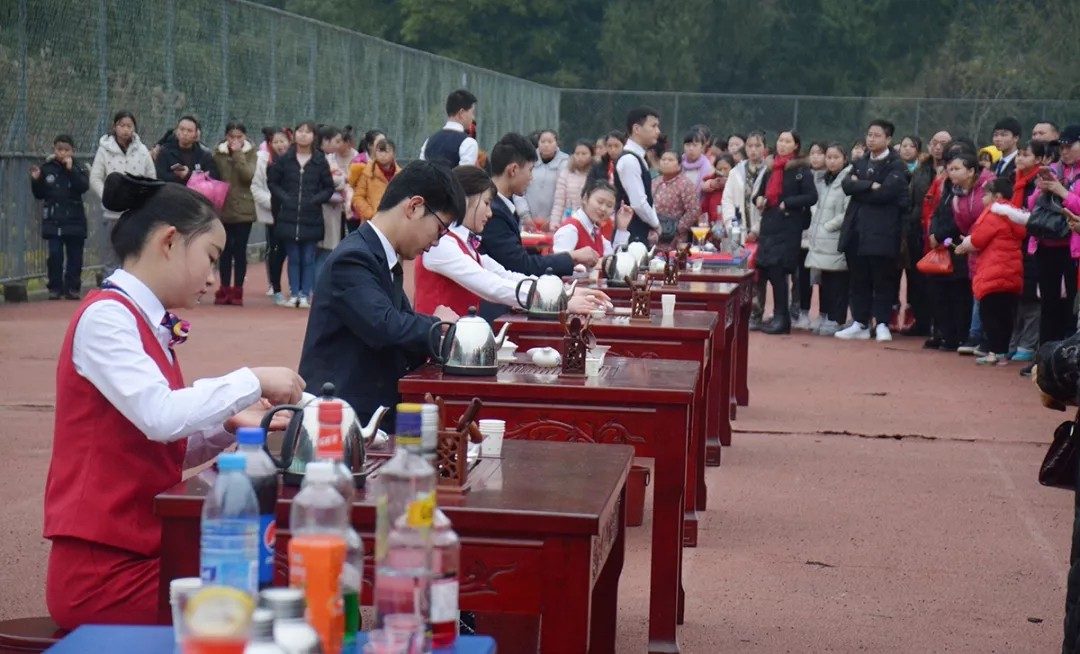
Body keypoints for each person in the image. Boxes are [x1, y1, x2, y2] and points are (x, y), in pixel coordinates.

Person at [43, 172, 304, 630]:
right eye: (211, 256)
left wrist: (225, 426)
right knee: (265, 604)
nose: (213, 274)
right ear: (169, 242)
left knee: (271, 581)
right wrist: (253, 379)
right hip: (105, 575)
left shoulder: (138, 320)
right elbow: (161, 417)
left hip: (140, 555)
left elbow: (163, 442)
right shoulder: (107, 317)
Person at [297, 161, 464, 427]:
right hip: (339, 422)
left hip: (368, 413)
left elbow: (401, 330)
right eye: (439, 230)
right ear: (414, 207)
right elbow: (385, 326)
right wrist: (438, 324)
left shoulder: (382, 257)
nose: (434, 243)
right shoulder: (353, 257)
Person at [416, 166, 614, 317]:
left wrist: (565, 293)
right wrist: (556, 301)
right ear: (466, 200)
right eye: (485, 203)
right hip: (435, 351)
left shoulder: (464, 243)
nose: (489, 213)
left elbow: (506, 276)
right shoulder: (442, 246)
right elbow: (491, 287)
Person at [477, 133, 598, 321]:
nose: (531, 178)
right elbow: (519, 265)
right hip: (493, 308)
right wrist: (571, 257)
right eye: (531, 170)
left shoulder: (502, 207)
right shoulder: (494, 211)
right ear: (514, 170)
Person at [836, 119, 910, 342]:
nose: (871, 139)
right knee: (859, 279)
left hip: (882, 233)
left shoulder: (896, 165)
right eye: (869, 134)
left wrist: (862, 187)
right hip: (857, 231)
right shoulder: (860, 161)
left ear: (888, 139)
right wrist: (869, 185)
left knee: (882, 280)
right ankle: (860, 322)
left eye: (877, 135)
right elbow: (847, 185)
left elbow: (887, 193)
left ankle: (883, 323)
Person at [752, 130, 817, 335]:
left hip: (789, 227)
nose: (782, 144)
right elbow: (759, 194)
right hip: (770, 225)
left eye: (788, 141)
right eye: (780, 140)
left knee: (780, 271)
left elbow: (811, 197)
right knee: (769, 271)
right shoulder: (771, 168)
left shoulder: (801, 170)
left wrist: (786, 203)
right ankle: (778, 314)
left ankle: (783, 317)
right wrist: (759, 200)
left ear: (796, 146)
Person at [956, 177, 1025, 365]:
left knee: (990, 314)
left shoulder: (993, 214)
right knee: (1005, 315)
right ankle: (1002, 352)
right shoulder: (1015, 216)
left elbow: (978, 240)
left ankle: (995, 351)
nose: (983, 198)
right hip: (1011, 273)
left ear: (997, 196)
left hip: (993, 271)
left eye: (986, 194)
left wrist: (965, 244)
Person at [267, 121, 336, 308]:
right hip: (288, 216)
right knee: (293, 257)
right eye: (300, 131)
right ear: (294, 134)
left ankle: (305, 294)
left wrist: (315, 199)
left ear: (314, 136)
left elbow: (329, 187)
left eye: (308, 132)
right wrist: (285, 198)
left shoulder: (319, 160)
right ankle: (294, 293)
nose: (303, 135)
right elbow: (273, 182)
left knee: (308, 257)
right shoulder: (285, 159)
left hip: (311, 217)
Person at [926, 148, 982, 351]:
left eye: (956, 168)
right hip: (943, 247)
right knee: (940, 294)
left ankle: (961, 335)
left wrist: (941, 236)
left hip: (959, 247)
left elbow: (959, 222)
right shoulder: (948, 188)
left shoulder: (976, 192)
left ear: (970, 171)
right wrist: (933, 234)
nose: (952, 172)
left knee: (960, 295)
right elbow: (938, 213)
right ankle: (946, 335)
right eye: (950, 168)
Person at [89, 111, 156, 278]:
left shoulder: (141, 150)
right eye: (122, 125)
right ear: (114, 127)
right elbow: (95, 177)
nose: (125, 130)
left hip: (135, 212)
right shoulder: (104, 150)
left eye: (129, 126)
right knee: (111, 254)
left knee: (134, 253)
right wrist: (107, 196)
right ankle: (109, 290)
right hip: (112, 213)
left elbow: (151, 176)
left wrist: (143, 197)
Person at [721, 130, 770, 329]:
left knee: (759, 275)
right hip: (738, 232)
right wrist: (732, 225)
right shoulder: (736, 172)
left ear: (764, 149)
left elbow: (769, 203)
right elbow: (728, 200)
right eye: (750, 146)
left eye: (758, 146)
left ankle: (757, 313)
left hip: (762, 232)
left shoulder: (769, 172)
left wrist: (757, 230)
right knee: (736, 273)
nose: (753, 150)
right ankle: (738, 312)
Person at [31, 135, 89, 300]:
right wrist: (36, 180)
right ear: (54, 149)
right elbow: (40, 193)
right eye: (59, 149)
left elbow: (83, 186)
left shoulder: (79, 168)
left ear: (73, 151)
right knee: (55, 254)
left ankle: (72, 287)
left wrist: (71, 170)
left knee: (75, 256)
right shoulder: (47, 168)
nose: (62, 153)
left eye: (66, 150)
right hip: (54, 220)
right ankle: (55, 287)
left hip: (75, 219)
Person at [805, 143, 852, 336]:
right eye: (829, 157)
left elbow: (846, 212)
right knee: (824, 280)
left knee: (838, 281)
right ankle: (826, 315)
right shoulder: (823, 179)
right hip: (821, 240)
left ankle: (837, 318)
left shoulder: (847, 180)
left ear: (845, 159)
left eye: (836, 157)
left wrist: (827, 226)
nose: (831, 161)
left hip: (836, 238)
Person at [211, 121, 257, 306]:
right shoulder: (218, 154)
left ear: (244, 137)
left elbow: (247, 176)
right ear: (226, 137)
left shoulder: (251, 154)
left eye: (239, 137)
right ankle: (224, 287)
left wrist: (238, 154)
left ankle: (238, 289)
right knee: (225, 249)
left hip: (244, 209)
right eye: (232, 137)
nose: (235, 140)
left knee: (239, 250)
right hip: (223, 208)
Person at [252, 127, 292, 306]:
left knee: (295, 253)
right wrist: (273, 202)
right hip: (273, 214)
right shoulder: (262, 161)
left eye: (283, 140)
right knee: (276, 251)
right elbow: (256, 187)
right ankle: (275, 287)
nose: (280, 145)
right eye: (276, 142)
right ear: (270, 144)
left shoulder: (296, 160)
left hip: (293, 214)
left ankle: (298, 289)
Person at [614, 107, 663, 244]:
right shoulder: (629, 160)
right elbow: (638, 202)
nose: (658, 131)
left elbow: (647, 198)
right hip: (629, 235)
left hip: (639, 233)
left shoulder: (639, 158)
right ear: (636, 128)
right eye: (653, 126)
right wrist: (656, 224)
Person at [552, 179, 634, 256]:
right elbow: (559, 263)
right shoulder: (570, 229)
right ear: (585, 198)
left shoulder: (595, 230)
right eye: (600, 202)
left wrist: (622, 229)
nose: (603, 208)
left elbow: (614, 258)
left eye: (609, 205)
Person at [315, 125, 352, 283]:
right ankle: (316, 288)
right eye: (336, 141)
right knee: (322, 252)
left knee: (327, 250)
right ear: (325, 141)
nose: (339, 145)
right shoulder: (319, 159)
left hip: (332, 212)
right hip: (321, 211)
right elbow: (334, 180)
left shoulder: (329, 158)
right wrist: (341, 180)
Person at [652, 151, 702, 246]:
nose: (666, 162)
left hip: (675, 237)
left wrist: (678, 229)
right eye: (663, 159)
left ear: (679, 165)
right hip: (654, 234)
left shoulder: (685, 184)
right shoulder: (654, 182)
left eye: (670, 160)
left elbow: (694, 210)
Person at [419, 89, 479, 167]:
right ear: (461, 113)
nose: (473, 117)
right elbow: (465, 177)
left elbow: (421, 173)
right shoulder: (468, 143)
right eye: (472, 112)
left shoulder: (429, 141)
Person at [523, 129, 568, 230]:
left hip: (555, 223)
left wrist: (554, 218)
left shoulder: (565, 163)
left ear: (557, 143)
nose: (546, 145)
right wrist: (525, 215)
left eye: (550, 141)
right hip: (528, 222)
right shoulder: (528, 160)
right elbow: (519, 191)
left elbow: (566, 195)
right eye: (543, 141)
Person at [155, 116, 217, 184]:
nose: (185, 133)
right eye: (182, 129)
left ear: (196, 134)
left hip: (195, 193)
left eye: (189, 131)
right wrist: (179, 176)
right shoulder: (165, 152)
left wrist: (188, 175)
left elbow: (213, 179)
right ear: (176, 131)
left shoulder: (204, 156)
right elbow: (159, 176)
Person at [352, 139, 401, 225]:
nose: (383, 155)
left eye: (386, 151)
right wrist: (370, 213)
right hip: (371, 221)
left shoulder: (400, 174)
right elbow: (358, 197)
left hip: (394, 221)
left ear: (394, 154)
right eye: (380, 151)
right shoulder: (367, 172)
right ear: (375, 153)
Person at [548, 139, 593, 225]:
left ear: (591, 155)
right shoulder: (565, 174)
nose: (580, 157)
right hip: (568, 220)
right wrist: (554, 223)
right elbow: (559, 202)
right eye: (577, 154)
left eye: (584, 154)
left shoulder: (595, 174)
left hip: (588, 221)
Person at [681, 128, 715, 196]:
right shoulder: (678, 163)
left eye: (695, 145)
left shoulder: (708, 168)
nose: (691, 148)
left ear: (702, 147)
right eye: (688, 145)